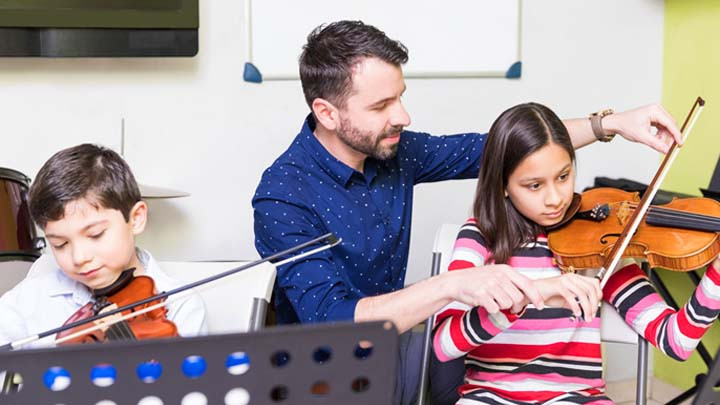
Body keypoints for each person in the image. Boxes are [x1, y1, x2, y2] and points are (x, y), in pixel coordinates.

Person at [252, 20, 683, 405]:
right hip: (327, 374)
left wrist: (609, 124)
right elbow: (335, 321)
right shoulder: (282, 196)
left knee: (483, 363)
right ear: (326, 113)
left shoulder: (393, 149)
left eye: (400, 97)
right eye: (381, 106)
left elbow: (500, 149)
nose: (402, 116)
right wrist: (454, 284)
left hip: (394, 349)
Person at [432, 102, 720, 404]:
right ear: (503, 184)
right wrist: (528, 295)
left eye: (563, 176)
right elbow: (442, 345)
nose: (555, 198)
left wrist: (715, 276)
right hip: (490, 397)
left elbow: (676, 339)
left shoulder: (599, 242)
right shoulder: (480, 235)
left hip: (577, 398)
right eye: (534, 186)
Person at [0, 144, 207, 349]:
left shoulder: (178, 304)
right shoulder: (28, 299)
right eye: (60, 244)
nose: (79, 257)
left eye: (95, 235)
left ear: (135, 218)